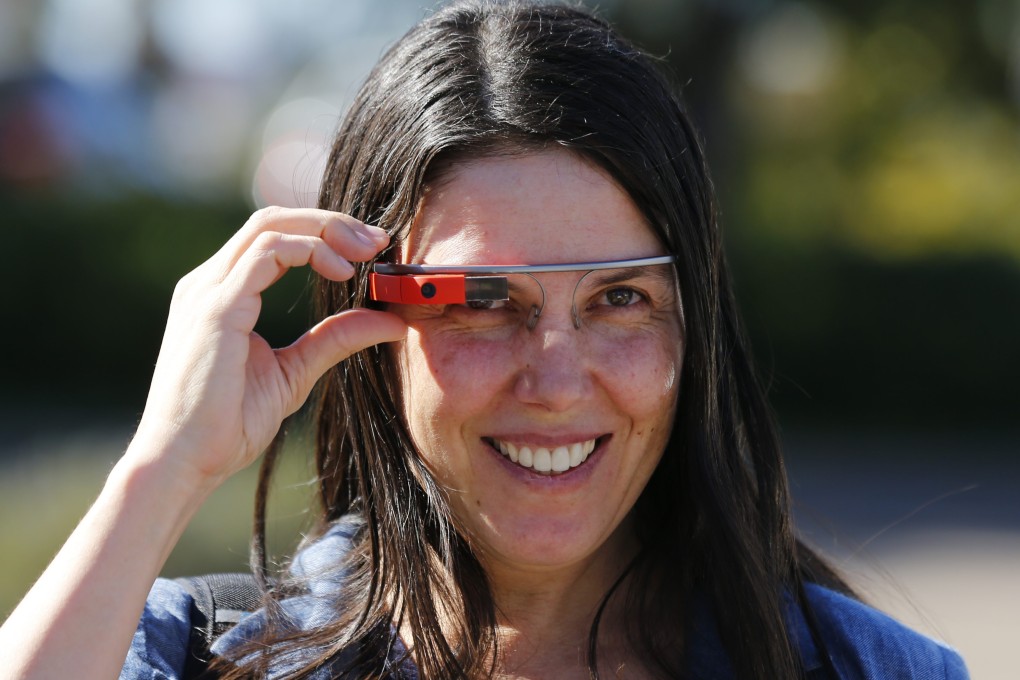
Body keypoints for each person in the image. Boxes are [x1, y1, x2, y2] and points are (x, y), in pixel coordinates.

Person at [0, 2, 969, 678]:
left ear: (696, 330)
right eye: (479, 300)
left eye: (620, 298)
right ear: (368, 324)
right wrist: (163, 465)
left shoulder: (872, 669)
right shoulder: (199, 655)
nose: (555, 378)